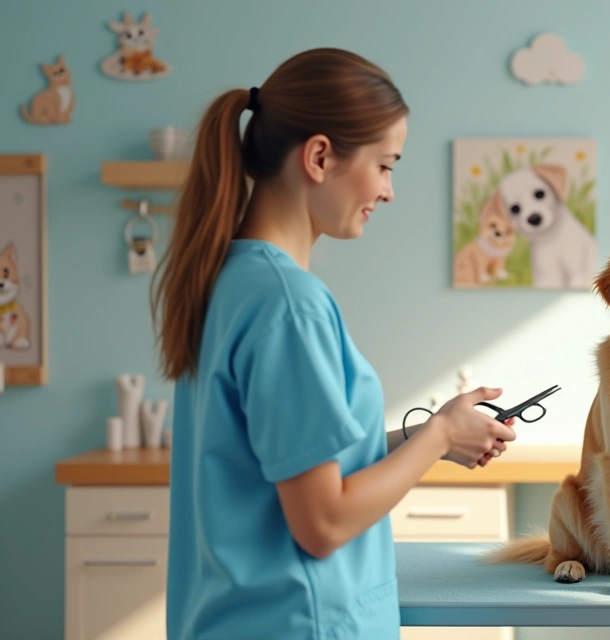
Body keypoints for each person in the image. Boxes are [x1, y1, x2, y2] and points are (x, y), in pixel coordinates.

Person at [151, 48, 517, 639]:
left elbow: (290, 464)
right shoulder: (288, 303)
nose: (389, 191)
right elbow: (323, 520)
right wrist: (442, 437)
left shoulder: (229, 281)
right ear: (320, 157)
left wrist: (425, 434)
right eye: (386, 164)